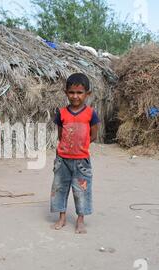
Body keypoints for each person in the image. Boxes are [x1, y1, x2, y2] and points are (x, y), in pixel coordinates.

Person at [50, 73, 100, 234]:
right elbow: (60, 134)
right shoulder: (62, 113)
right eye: (71, 92)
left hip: (81, 161)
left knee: (82, 190)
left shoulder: (91, 114)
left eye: (79, 93)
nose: (75, 96)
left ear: (87, 94)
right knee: (60, 188)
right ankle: (62, 217)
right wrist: (67, 147)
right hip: (62, 159)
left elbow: (93, 135)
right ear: (66, 92)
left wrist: (81, 146)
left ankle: (80, 220)